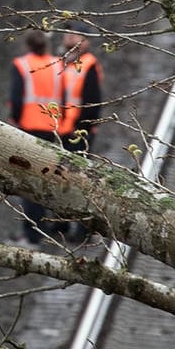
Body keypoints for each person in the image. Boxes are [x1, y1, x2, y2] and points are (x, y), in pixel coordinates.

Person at [8, 29, 68, 245]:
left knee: (28, 180)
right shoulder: (57, 65)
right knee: (47, 176)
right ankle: (51, 226)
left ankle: (33, 233)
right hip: (51, 128)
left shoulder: (22, 65)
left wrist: (14, 121)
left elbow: (16, 97)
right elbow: (63, 96)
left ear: (27, 46)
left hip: (28, 127)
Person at [57, 27, 104, 241]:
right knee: (61, 179)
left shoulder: (88, 65)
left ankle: (84, 229)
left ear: (85, 41)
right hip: (62, 131)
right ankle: (62, 224)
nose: (69, 37)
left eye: (74, 34)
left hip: (78, 133)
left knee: (79, 180)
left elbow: (92, 101)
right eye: (67, 34)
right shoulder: (63, 62)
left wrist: (82, 128)